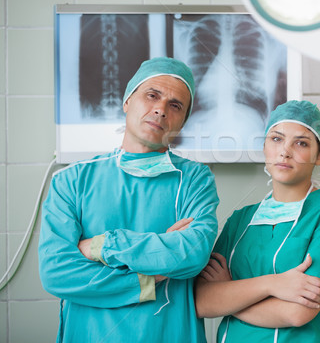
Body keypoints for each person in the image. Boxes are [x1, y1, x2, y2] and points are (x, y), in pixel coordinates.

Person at [38, 57, 219, 343]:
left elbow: (193, 253)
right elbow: (56, 273)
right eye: (152, 95)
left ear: (182, 121)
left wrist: (101, 245)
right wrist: (150, 278)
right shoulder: (72, 180)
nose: (160, 109)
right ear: (126, 101)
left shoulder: (195, 179)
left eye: (175, 105)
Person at [195, 100, 320, 342]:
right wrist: (274, 285)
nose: (285, 151)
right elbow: (203, 302)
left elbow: (297, 312)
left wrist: (229, 296)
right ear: (264, 147)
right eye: (276, 139)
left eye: (301, 143)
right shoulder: (240, 219)